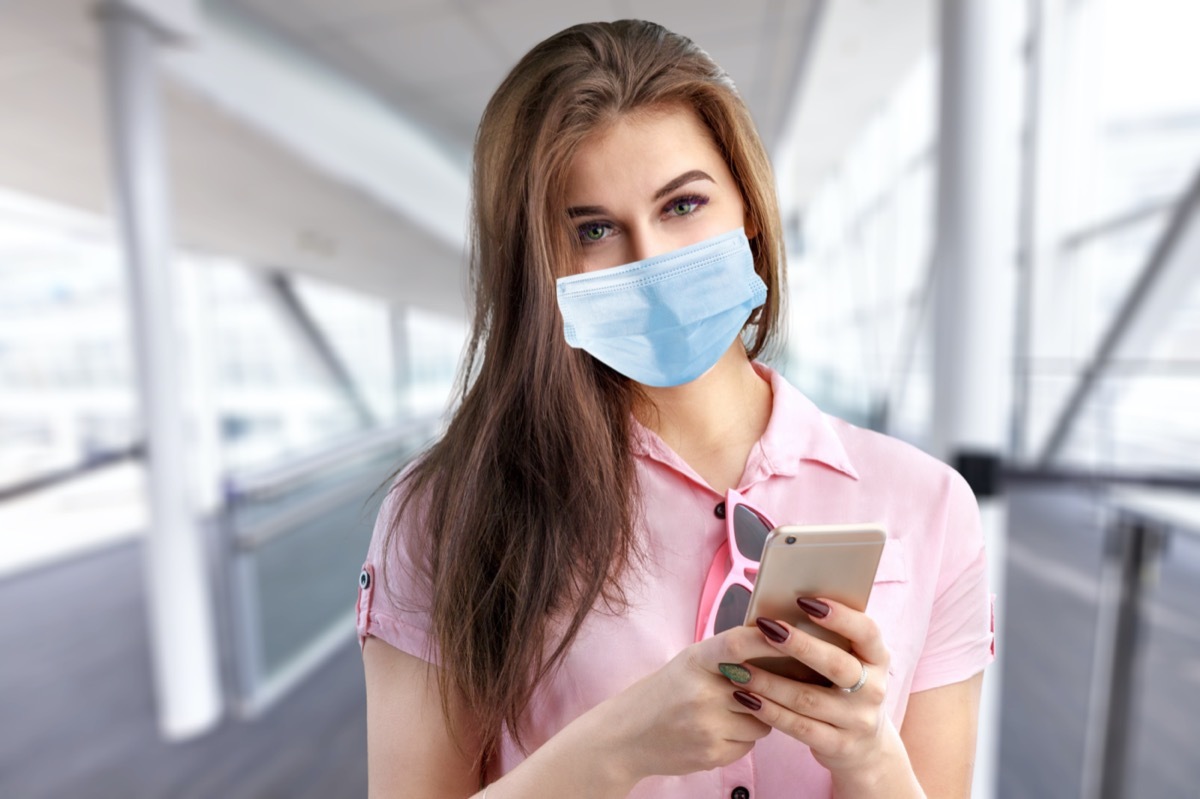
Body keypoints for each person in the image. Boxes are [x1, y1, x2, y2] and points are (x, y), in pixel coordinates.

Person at [356, 19, 994, 799]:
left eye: (683, 204)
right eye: (593, 229)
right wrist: (618, 746)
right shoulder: (446, 512)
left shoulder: (926, 504)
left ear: (749, 213)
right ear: (539, 265)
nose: (651, 261)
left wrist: (868, 756)